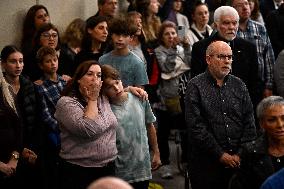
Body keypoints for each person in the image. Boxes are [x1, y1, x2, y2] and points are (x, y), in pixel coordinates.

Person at [185, 41, 257, 189]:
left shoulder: (239, 85)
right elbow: (196, 127)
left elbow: (249, 123)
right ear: (208, 59)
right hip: (207, 162)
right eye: (221, 57)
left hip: (239, 160)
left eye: (229, 57)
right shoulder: (195, 86)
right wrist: (220, 154)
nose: (227, 61)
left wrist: (240, 154)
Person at [54, 60, 117, 189]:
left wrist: (132, 89)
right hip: (79, 171)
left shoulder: (103, 98)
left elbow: (119, 89)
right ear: (78, 79)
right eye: (90, 74)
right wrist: (92, 99)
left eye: (99, 75)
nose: (95, 79)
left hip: (108, 168)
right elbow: (88, 129)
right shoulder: (66, 103)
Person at [190, 6, 262, 110]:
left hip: (243, 110)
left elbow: (255, 83)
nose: (232, 27)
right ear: (216, 25)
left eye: (235, 23)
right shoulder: (200, 48)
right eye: (226, 23)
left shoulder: (248, 48)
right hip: (212, 110)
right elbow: (197, 84)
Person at [101, 65, 161, 189]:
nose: (116, 88)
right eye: (110, 87)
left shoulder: (139, 98)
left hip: (142, 168)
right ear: (104, 91)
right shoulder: (105, 108)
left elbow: (149, 125)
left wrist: (156, 152)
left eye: (117, 82)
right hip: (120, 172)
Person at [154, 20, 191, 179]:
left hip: (183, 95)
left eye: (173, 33)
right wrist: (174, 50)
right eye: (167, 34)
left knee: (185, 131)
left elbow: (190, 63)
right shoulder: (158, 51)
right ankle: (165, 164)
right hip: (165, 99)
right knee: (163, 132)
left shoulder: (182, 48)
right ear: (161, 37)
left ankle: (185, 162)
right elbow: (167, 67)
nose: (171, 36)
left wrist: (187, 47)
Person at [1, 45, 41, 189]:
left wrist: (32, 148)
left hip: (29, 147)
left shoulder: (30, 86)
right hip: (7, 150)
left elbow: (37, 120)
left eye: (21, 61)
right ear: (3, 64)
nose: (18, 65)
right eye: (13, 61)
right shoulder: (1, 88)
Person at [228, 95, 284, 189]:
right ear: (262, 124)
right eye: (272, 120)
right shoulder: (250, 152)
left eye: (283, 118)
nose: (280, 125)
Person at [34, 46, 69, 189]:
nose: (53, 63)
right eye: (48, 61)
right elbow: (45, 114)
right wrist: (61, 128)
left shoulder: (65, 81)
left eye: (55, 60)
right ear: (41, 65)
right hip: (56, 131)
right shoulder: (40, 87)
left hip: (72, 126)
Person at [232, 0, 275, 98]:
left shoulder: (260, 28)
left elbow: (269, 59)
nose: (245, 7)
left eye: (246, 4)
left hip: (258, 86)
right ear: (233, 9)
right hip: (234, 87)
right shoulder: (228, 30)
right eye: (240, 5)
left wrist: (269, 86)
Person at [98, 17, 149, 88]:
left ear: (131, 38)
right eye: (117, 35)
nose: (120, 39)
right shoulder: (102, 60)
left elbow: (140, 91)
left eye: (124, 35)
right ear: (112, 35)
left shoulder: (137, 62)